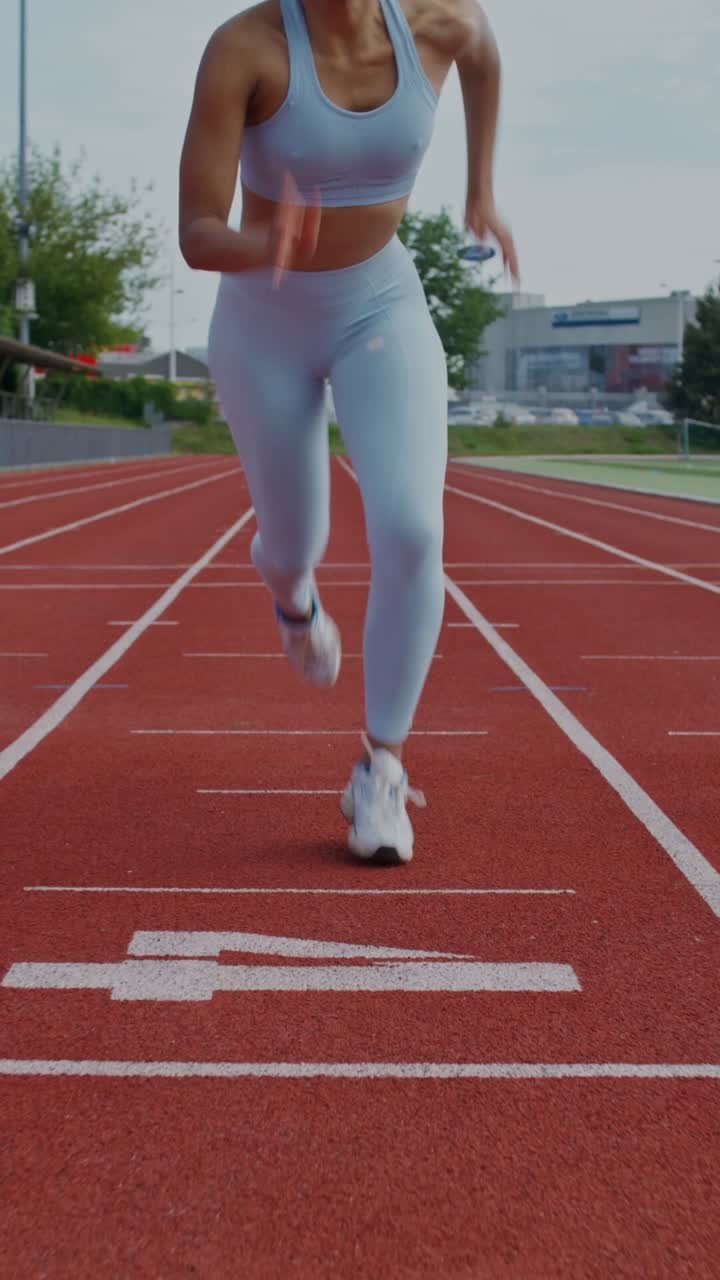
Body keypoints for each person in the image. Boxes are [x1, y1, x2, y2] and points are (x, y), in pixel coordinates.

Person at [179, 0, 518, 865]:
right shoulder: (244, 49)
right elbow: (195, 234)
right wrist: (264, 239)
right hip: (263, 322)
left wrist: (481, 185)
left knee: (412, 528)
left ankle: (382, 767)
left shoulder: (440, 20)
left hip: (380, 305)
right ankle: (291, 592)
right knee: (299, 540)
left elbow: (484, 59)